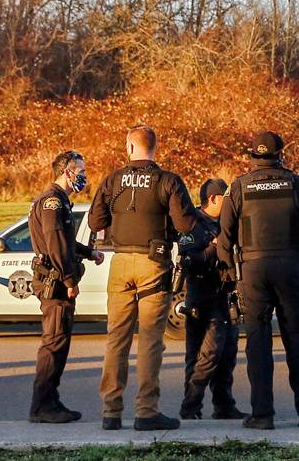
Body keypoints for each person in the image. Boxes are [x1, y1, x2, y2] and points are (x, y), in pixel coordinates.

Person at [89, 124, 199, 432]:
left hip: (120, 261)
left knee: (117, 339)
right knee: (150, 340)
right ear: (155, 147)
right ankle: (146, 411)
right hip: (154, 262)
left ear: (129, 147)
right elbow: (186, 224)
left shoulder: (112, 180)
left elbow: (95, 220)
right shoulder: (168, 181)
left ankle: (111, 412)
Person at [217, 131, 299, 430]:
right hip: (289, 267)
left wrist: (229, 271)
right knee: (298, 341)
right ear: (281, 155)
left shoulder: (238, 187)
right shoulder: (298, 184)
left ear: (252, 156)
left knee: (258, 345)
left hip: (252, 270)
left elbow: (224, 238)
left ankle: (262, 415)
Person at [28, 150, 105, 423]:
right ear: (67, 172)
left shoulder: (60, 201)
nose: (84, 176)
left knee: (59, 343)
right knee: (54, 344)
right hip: (56, 283)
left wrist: (87, 252)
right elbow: (56, 244)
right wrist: (70, 281)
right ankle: (42, 407)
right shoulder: (52, 202)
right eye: (80, 171)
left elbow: (66, 241)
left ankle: (51, 400)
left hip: (57, 278)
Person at [178, 178, 246, 421]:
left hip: (226, 294)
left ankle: (224, 405)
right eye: (225, 199)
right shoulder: (192, 224)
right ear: (214, 199)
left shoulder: (229, 222)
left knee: (227, 353)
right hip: (202, 297)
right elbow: (188, 259)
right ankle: (191, 405)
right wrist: (213, 248)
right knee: (204, 355)